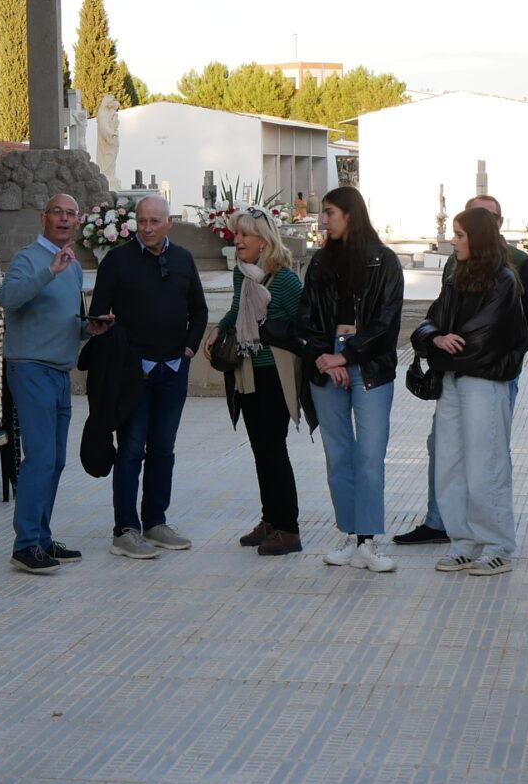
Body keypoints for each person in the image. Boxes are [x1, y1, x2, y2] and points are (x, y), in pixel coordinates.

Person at [397, 195, 528, 548]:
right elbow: (428, 324)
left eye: (460, 235)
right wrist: (437, 339)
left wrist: (439, 348)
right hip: (452, 384)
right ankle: (462, 541)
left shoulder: (504, 280)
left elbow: (479, 343)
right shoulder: (457, 275)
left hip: (484, 385)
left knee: (485, 466)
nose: (453, 241)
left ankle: (495, 545)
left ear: (477, 237)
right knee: (450, 464)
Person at [282, 186, 402, 572]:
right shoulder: (320, 262)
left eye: (330, 212)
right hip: (327, 359)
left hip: (368, 362)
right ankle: (350, 534)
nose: (324, 219)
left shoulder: (384, 261)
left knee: (369, 454)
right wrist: (324, 357)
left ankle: (369, 540)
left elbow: (386, 325)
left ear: (350, 213)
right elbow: (304, 320)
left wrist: (346, 355)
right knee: (338, 454)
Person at [85, 194, 206, 559]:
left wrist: (188, 350)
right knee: (132, 449)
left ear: (169, 222)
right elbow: (98, 316)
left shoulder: (183, 259)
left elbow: (198, 310)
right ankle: (125, 529)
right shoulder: (118, 261)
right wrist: (122, 356)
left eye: (155, 221)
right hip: (132, 374)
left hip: (172, 370)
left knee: (163, 449)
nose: (148, 228)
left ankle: (155, 521)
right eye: (142, 221)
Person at [0, 193, 87, 573]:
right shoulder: (28, 259)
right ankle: (26, 544)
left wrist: (90, 328)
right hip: (30, 367)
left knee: (56, 460)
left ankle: (43, 538)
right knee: (40, 457)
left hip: (59, 371)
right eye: (57, 213)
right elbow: (8, 298)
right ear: (43, 217)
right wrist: (49, 270)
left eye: (71, 214)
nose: (64, 219)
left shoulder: (76, 266)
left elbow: (68, 319)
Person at [213, 206, 304, 554]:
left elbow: (302, 326)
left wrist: (268, 331)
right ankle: (271, 519)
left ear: (264, 241)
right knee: (260, 449)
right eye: (236, 234)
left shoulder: (285, 280)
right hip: (246, 371)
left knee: (273, 449)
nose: (238, 241)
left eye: (245, 235)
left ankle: (289, 528)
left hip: (274, 373)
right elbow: (238, 309)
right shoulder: (242, 275)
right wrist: (219, 329)